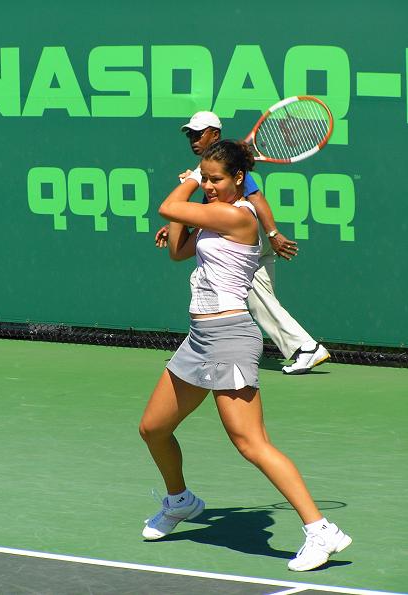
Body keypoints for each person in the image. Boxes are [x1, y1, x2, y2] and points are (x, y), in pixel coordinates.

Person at [140, 140, 351, 572]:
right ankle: (180, 500)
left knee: (250, 442)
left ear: (239, 179)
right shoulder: (214, 217)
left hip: (230, 339)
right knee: (153, 429)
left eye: (216, 179)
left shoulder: (236, 216)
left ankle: (320, 530)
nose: (209, 186)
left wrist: (190, 183)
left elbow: (167, 206)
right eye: (206, 178)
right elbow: (179, 251)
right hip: (198, 338)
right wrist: (182, 220)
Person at [155, 111, 330, 375]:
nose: (193, 138)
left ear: (215, 134)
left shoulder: (226, 164)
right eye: (190, 133)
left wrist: (272, 233)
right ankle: (303, 347)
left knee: (243, 289)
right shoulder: (213, 168)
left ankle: (305, 347)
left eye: (198, 133)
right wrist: (178, 221)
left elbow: (256, 198)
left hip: (245, 233)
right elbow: (202, 212)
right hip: (229, 229)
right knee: (257, 299)